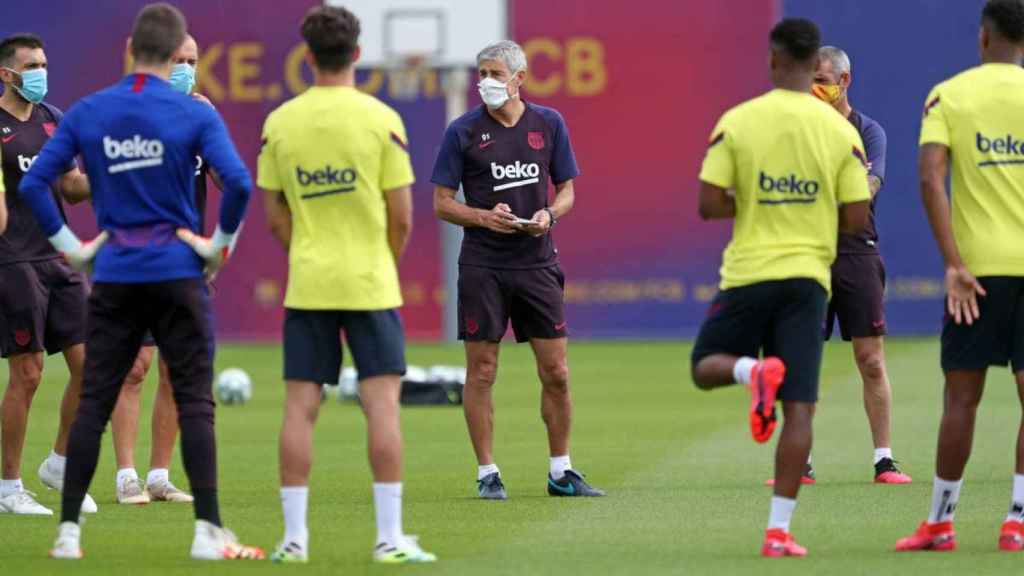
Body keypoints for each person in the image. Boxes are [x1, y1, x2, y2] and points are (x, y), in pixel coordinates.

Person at [18, 3, 261, 560]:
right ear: (173, 49)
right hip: (179, 271)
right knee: (197, 401)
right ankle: (207, 533)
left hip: (115, 272)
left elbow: (36, 185)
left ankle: (68, 533)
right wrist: (216, 246)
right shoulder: (195, 114)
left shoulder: (91, 110)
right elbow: (241, 186)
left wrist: (73, 250)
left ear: (130, 47)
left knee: (95, 399)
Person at [259, 5, 435, 564]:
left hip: (308, 281)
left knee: (299, 408)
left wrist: (306, 253)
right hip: (370, 282)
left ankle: (293, 540)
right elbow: (403, 217)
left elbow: (275, 215)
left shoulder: (280, 122)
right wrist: (379, 262)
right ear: (358, 54)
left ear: (306, 56)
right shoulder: (382, 119)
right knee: (382, 405)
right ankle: (388, 540)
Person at [691, 18, 870, 557]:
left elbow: (708, 203)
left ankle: (751, 371)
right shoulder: (842, 131)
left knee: (706, 367)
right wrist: (809, 210)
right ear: (816, 63)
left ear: (772, 61)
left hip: (748, 272)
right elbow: (858, 217)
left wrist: (761, 201)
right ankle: (778, 533)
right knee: (800, 410)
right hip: (808, 279)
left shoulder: (739, 121)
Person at [431, 39, 604, 502]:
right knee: (482, 371)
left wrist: (549, 215)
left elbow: (567, 190)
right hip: (483, 264)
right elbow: (442, 204)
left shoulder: (548, 123)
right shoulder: (462, 131)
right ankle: (488, 472)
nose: (485, 82)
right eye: (480, 73)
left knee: (557, 372)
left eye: (494, 73)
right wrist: (486, 216)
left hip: (537, 262)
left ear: (518, 79)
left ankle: (561, 471)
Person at [896, 0, 1024, 553]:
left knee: (960, 401)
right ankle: (1018, 520)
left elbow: (930, 178)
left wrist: (953, 263)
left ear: (982, 37)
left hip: (975, 274)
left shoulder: (948, 94)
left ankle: (941, 523)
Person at [108, 33, 214, 506]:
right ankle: (126, 474)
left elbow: (222, 177)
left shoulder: (201, 113)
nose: (186, 69)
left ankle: (159, 475)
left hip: (184, 263)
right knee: (134, 366)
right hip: (133, 258)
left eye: (192, 61)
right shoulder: (127, 112)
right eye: (178, 60)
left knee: (175, 368)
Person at [0, 33, 99, 516]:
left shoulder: (52, 120)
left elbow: (72, 188)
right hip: (12, 260)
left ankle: (59, 463)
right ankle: (8, 487)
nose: (40, 71)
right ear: (6, 74)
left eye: (43, 62)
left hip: (57, 257)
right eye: (31, 65)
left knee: (92, 363)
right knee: (29, 372)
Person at [807, 45, 911, 485]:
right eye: (810, 77)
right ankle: (799, 462)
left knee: (870, 359)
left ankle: (884, 460)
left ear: (845, 81)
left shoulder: (868, 131)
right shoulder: (801, 129)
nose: (816, 86)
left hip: (856, 251)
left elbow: (868, 188)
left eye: (824, 78)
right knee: (802, 358)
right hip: (809, 250)